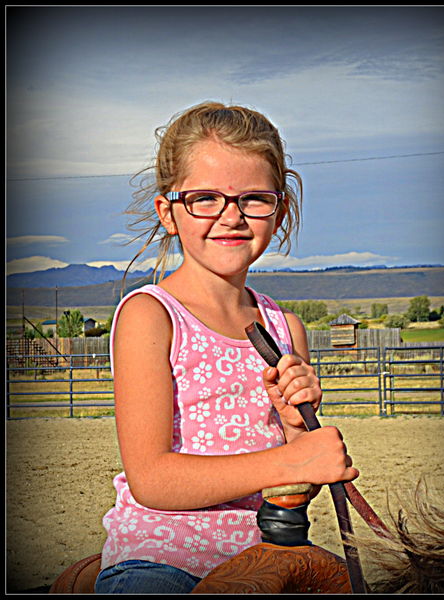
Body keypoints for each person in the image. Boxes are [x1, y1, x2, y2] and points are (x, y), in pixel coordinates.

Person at [95, 101, 359, 594]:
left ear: (279, 211)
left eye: (254, 199)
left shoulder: (286, 328)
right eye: (204, 198)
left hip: (268, 552)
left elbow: (296, 474)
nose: (231, 217)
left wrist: (297, 426)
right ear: (168, 212)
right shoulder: (150, 316)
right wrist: (289, 462)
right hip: (162, 557)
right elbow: (151, 478)